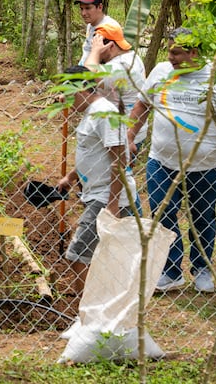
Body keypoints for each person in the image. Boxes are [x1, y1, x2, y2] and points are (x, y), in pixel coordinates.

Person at [128, 28, 216, 294]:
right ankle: (170, 272)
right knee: (162, 214)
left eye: (176, 52)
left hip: (204, 165)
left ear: (194, 52)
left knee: (202, 217)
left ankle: (202, 269)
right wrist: (130, 137)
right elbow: (142, 105)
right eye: (168, 50)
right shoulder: (160, 72)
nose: (169, 56)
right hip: (161, 161)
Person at [56, 65, 137, 294]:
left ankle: (89, 307)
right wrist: (71, 177)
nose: (64, 98)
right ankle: (98, 303)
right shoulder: (92, 112)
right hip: (98, 194)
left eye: (67, 92)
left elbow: (120, 158)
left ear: (82, 89)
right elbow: (96, 153)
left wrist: (112, 204)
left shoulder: (104, 113)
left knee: (77, 254)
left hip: (107, 197)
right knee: (101, 255)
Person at [82, 21, 148, 152]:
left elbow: (86, 75)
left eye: (98, 47)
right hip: (121, 129)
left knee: (113, 170)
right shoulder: (131, 56)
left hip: (122, 135)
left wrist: (95, 51)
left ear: (110, 46)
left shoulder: (120, 67)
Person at [74, 0, 122, 66]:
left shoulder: (109, 28)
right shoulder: (90, 24)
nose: (83, 13)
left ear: (100, 7)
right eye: (81, 9)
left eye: (88, 8)